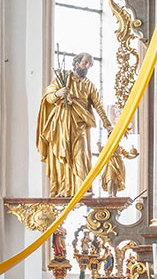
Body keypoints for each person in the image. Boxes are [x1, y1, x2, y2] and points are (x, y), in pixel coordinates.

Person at [36, 53, 110, 197]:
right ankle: (64, 189)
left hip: (80, 125)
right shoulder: (63, 78)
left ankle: (82, 190)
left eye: (89, 64)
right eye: (85, 62)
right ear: (76, 63)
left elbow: (98, 106)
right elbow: (48, 97)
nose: (87, 66)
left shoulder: (89, 85)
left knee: (80, 155)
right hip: (62, 124)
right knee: (62, 155)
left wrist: (108, 125)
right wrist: (58, 93)